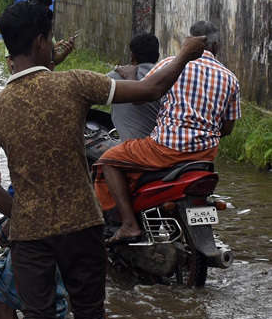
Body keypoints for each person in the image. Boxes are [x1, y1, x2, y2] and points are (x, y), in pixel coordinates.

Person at [0, 0, 208, 319]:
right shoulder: (74, 85)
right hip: (82, 225)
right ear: (42, 42)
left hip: (29, 233)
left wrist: (20, 213)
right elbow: (148, 88)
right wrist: (184, 53)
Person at [95, 21, 240, 243]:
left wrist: (131, 74)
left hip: (165, 149)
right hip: (204, 157)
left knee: (108, 161)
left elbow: (142, 94)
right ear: (217, 45)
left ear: (190, 41)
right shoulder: (230, 78)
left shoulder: (171, 64)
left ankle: (129, 225)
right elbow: (227, 128)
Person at [106, 33, 162, 140]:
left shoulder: (115, 77)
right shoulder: (167, 79)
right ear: (158, 55)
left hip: (129, 149)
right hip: (161, 147)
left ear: (132, 56)